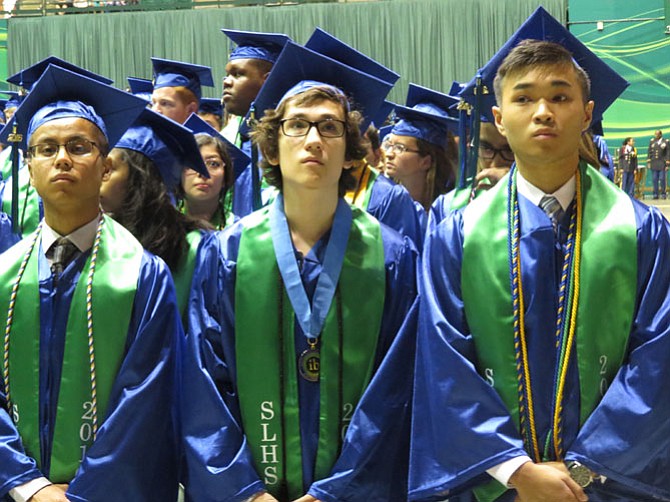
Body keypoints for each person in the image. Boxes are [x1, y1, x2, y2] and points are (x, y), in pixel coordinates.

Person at [409, 7, 670, 502]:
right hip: (498, 484)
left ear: (588, 114)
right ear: (499, 119)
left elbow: (659, 360)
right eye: (524, 98)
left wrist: (582, 473)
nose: (543, 111)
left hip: (608, 486)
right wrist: (518, 472)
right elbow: (443, 361)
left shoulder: (642, 231)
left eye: (560, 96)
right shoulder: (456, 236)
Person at [181, 42, 417, 501]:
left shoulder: (393, 258)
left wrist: (337, 491)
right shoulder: (227, 254)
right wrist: (244, 490)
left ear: (352, 153)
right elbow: (203, 383)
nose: (313, 140)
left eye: (330, 127)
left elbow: (398, 391)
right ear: (271, 149)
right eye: (297, 126)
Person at [0, 63, 183, 501]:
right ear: (29, 167)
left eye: (79, 147)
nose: (61, 158)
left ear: (104, 166)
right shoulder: (4, 275)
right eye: (46, 149)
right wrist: (30, 487)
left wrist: (82, 492)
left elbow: (146, 401)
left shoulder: (142, 274)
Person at [99, 108, 211, 314]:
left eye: (109, 169)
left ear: (141, 179)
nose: (98, 178)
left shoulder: (198, 250)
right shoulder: (102, 239)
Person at [220, 29, 291, 217]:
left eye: (237, 74)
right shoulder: (229, 137)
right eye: (227, 74)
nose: (226, 82)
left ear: (268, 81)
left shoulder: (290, 139)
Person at [383, 83, 458, 211]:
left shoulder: (448, 210)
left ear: (425, 162)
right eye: (389, 145)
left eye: (399, 148)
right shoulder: (385, 203)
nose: (389, 154)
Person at [182, 112, 249, 230]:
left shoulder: (239, 232)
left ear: (226, 177)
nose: (202, 172)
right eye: (193, 163)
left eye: (213, 164)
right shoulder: (162, 228)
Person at [151, 57, 214, 125]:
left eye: (165, 103)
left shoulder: (200, 136)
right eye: (153, 103)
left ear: (190, 110)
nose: (155, 110)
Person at [647, 129, 669, 199]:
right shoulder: (652, 141)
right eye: (655, 134)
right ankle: (655, 194)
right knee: (654, 179)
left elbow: (668, 152)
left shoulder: (666, 142)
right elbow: (649, 151)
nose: (655, 135)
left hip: (662, 162)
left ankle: (663, 194)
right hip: (654, 163)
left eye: (657, 134)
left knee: (662, 179)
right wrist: (649, 160)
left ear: (660, 135)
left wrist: (668, 162)